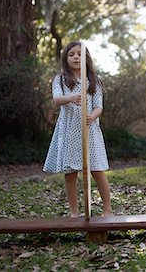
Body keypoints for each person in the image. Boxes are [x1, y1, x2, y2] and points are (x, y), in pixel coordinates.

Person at [43, 41, 113, 218]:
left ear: (86, 59)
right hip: (69, 131)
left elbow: (99, 106)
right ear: (65, 58)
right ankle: (74, 212)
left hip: (89, 130)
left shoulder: (94, 81)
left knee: (97, 170)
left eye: (80, 54)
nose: (76, 57)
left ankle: (107, 209)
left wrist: (93, 116)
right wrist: (71, 98)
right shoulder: (60, 80)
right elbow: (57, 99)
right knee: (71, 172)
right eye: (71, 54)